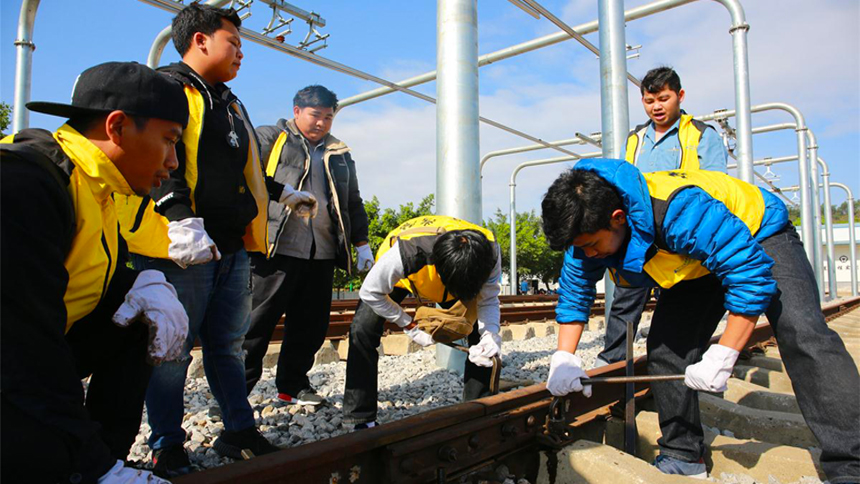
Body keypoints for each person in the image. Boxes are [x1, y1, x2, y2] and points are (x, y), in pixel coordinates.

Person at [540, 159, 860, 481]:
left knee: (803, 334)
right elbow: (574, 292)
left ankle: (850, 464)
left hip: (756, 231)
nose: (589, 255)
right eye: (581, 249)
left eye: (593, 246)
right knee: (667, 350)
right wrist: (564, 357)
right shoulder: (583, 234)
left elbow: (749, 276)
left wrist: (725, 353)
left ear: (618, 218)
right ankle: (683, 456)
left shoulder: (678, 211)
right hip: (697, 261)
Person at [1, 62, 190, 484]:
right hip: (13, 359)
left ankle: (98, 461)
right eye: (169, 141)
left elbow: (90, 271)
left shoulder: (99, 187)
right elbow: (22, 344)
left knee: (139, 316)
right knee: (36, 463)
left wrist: (144, 282)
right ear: (118, 127)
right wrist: (91, 463)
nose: (173, 162)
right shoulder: (25, 183)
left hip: (27, 351)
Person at [114, 5, 277, 476]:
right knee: (171, 349)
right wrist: (181, 218)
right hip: (180, 245)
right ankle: (167, 443)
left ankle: (238, 430)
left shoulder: (229, 101)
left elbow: (239, 170)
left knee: (227, 344)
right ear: (201, 40)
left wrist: (283, 195)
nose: (241, 53)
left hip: (228, 244)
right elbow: (158, 153)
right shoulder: (167, 88)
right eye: (234, 43)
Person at [242, 85, 371, 406]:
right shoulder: (271, 139)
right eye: (316, 115)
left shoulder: (339, 153)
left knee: (310, 325)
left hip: (322, 252)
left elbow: (352, 201)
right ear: (297, 111)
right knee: (255, 324)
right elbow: (248, 175)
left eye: (329, 117)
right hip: (276, 248)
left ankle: (293, 384)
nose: (322, 123)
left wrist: (362, 245)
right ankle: (235, 391)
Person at [597, 66, 728, 368]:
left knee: (679, 302)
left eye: (663, 98)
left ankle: (677, 364)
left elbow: (717, 189)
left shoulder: (701, 135)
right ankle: (611, 365)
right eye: (649, 100)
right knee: (625, 300)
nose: (656, 106)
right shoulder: (635, 139)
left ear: (680, 96)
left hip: (683, 235)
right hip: (641, 235)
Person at [343, 215, 503, 429]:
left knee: (480, 337)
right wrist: (409, 325)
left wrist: (490, 336)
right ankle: (360, 417)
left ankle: (477, 410)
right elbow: (370, 292)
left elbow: (489, 300)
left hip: (460, 271)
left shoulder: (490, 253)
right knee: (362, 329)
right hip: (404, 277)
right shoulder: (408, 254)